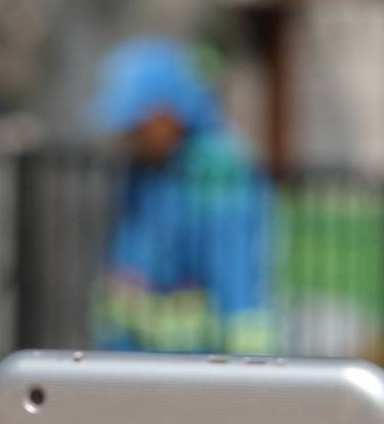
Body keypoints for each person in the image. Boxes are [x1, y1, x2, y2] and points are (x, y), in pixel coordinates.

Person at [90, 37, 277, 355]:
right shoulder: (146, 172)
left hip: (205, 371)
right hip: (139, 367)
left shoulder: (218, 171)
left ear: (170, 114)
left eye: (139, 123)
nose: (130, 136)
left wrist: (248, 373)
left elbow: (237, 280)